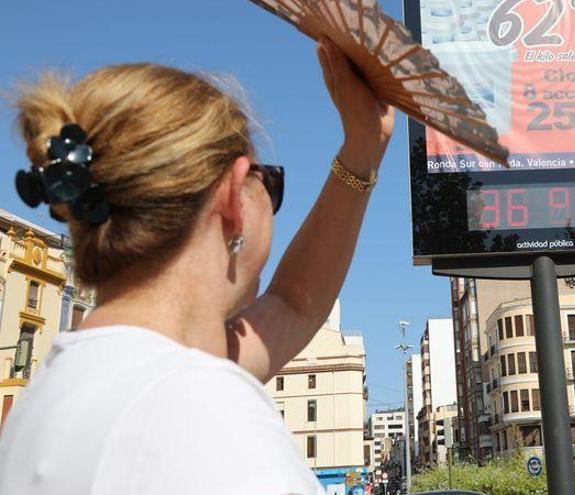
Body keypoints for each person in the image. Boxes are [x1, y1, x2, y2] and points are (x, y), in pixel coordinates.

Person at [0, 37, 393, 495]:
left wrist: (361, 151)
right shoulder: (204, 419)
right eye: (270, 183)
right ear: (232, 197)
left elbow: (294, 304)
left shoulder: (57, 395)